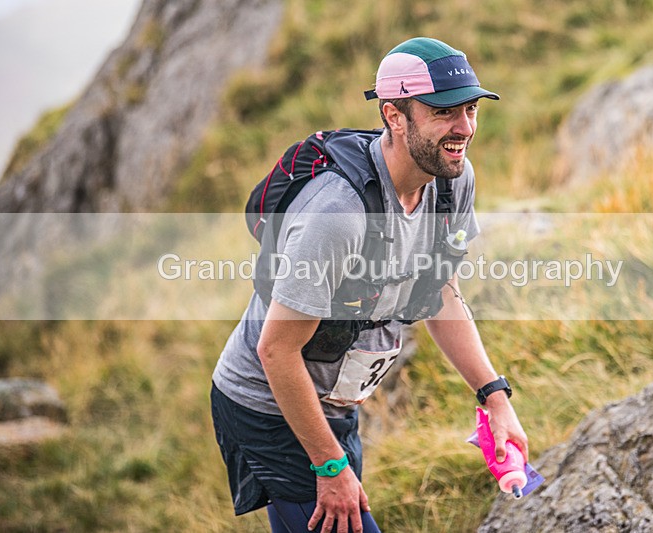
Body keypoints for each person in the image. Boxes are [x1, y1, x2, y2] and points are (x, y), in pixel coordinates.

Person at [211, 37, 529, 533]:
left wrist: (495, 397)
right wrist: (329, 465)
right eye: (443, 112)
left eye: (470, 109)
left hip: (336, 404)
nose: (465, 128)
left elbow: (441, 295)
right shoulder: (337, 213)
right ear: (394, 116)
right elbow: (276, 350)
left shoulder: (453, 180)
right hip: (270, 405)